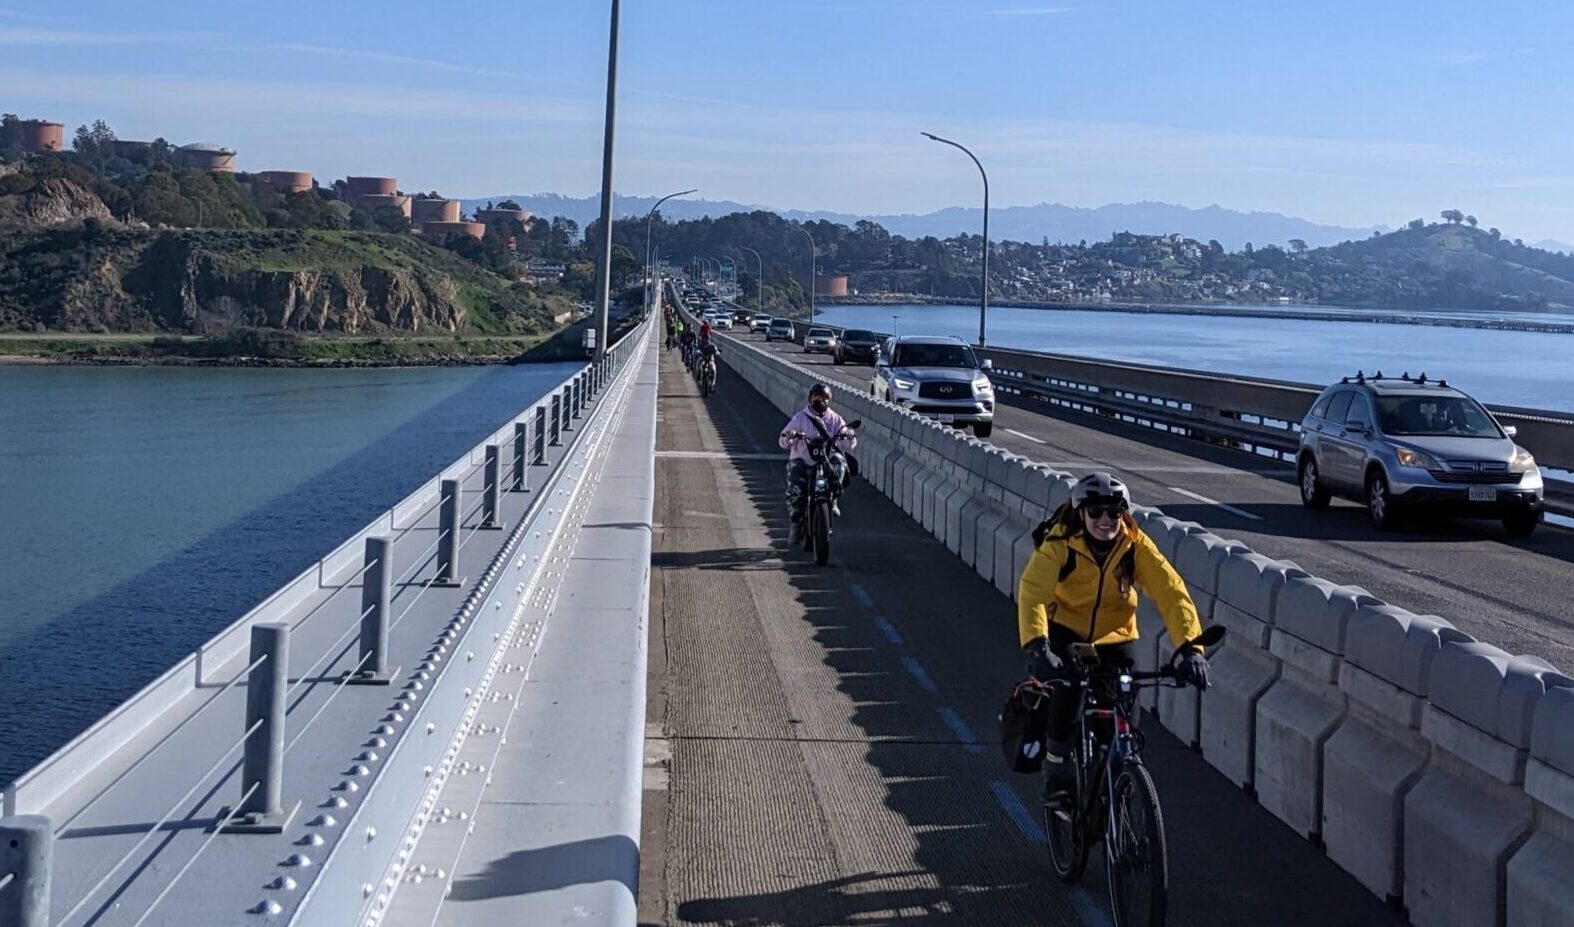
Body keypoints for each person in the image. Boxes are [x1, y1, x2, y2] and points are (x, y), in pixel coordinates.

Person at [1016, 472, 1209, 806]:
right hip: (1066, 630)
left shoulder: (1134, 546)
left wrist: (1191, 647)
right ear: (1081, 513)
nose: (1106, 520)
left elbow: (1171, 593)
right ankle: (1056, 769)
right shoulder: (1061, 544)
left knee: (1124, 718)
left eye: (1114, 512)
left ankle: (1120, 777)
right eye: (1096, 512)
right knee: (1068, 691)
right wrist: (1038, 645)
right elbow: (1033, 592)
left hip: (1116, 635)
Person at [778, 383, 856, 538]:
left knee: (840, 463)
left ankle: (833, 499)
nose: (821, 402)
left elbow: (849, 444)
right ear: (810, 399)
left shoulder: (834, 419)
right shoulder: (800, 418)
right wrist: (790, 436)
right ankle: (796, 523)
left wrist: (849, 434)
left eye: (825, 399)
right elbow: (782, 441)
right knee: (796, 491)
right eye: (817, 398)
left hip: (825, 461)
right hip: (803, 462)